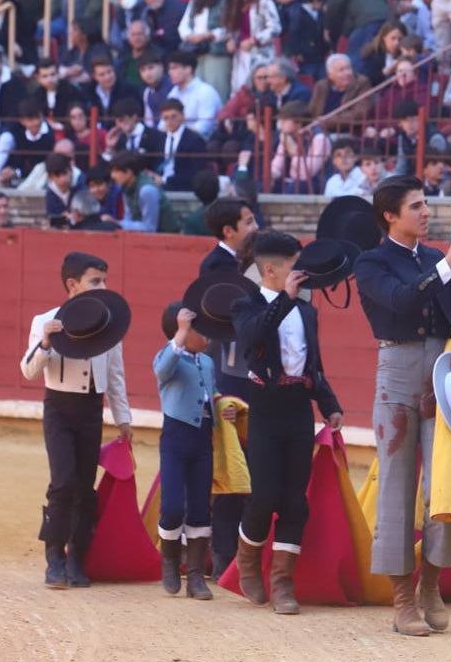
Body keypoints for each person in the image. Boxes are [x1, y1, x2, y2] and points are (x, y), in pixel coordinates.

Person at [353, 178, 451, 636]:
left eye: (426, 204)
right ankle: (402, 599)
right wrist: (450, 263)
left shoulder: (432, 259)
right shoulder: (371, 262)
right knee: (396, 485)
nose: (426, 212)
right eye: (417, 205)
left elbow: (450, 322)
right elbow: (402, 302)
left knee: (444, 484)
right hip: (398, 369)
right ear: (390, 215)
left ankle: (431, 583)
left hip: (440, 371)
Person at [231, 230, 342, 615]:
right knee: (263, 496)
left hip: (298, 408)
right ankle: (247, 559)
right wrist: (284, 299)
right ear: (272, 271)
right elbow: (252, 336)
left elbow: (315, 366)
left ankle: (282, 584)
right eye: (296, 265)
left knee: (295, 500)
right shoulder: (245, 305)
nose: (303, 271)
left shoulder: (308, 312)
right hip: (264, 407)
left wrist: (329, 404)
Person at [20, 250, 132, 589]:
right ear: (73, 284)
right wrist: (46, 343)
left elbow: (115, 375)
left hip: (90, 411)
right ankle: (54, 557)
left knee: (85, 488)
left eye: (104, 279)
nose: (104, 286)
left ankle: (77, 557)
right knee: (64, 482)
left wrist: (123, 418)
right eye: (95, 281)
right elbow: (27, 371)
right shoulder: (46, 321)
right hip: (59, 409)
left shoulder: (108, 323)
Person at [153, 303, 219, 602]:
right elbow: (162, 369)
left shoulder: (207, 362)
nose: (206, 335)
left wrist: (222, 407)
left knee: (200, 507)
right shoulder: (169, 358)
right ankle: (169, 561)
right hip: (176, 436)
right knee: (172, 506)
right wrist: (180, 333)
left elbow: (208, 395)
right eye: (198, 329)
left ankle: (194, 576)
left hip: (203, 437)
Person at [177, 0, 231, 103]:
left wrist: (209, 35)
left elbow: (230, 26)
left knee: (216, 92)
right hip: (196, 51)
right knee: (197, 95)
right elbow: (184, 25)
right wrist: (190, 36)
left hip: (217, 52)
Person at [109, 151, 180, 232]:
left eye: (116, 171)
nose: (112, 176)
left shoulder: (147, 190)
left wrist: (117, 223)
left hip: (168, 237)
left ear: (129, 172)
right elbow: (128, 219)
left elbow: (150, 228)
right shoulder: (125, 187)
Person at [166, 49, 222, 138]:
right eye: (170, 69)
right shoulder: (173, 93)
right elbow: (164, 122)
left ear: (188, 69)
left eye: (174, 68)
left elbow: (204, 126)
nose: (170, 72)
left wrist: (178, 134)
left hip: (203, 141)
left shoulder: (206, 92)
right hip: (177, 139)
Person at [158, 96, 208, 191]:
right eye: (166, 118)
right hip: (158, 186)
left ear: (182, 115)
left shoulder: (195, 140)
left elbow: (195, 174)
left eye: (174, 117)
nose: (170, 121)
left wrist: (165, 180)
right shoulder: (159, 138)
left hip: (182, 188)